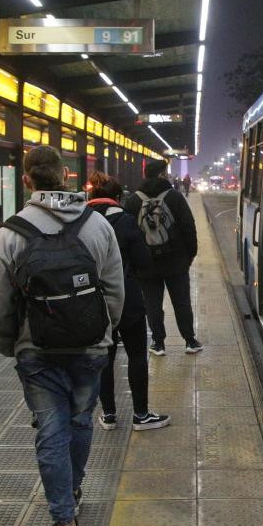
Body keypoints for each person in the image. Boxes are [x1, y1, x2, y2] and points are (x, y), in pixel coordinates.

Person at [0, 146, 124, 526]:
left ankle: (64, 523)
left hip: (37, 354)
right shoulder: (98, 226)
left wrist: (9, 344)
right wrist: (105, 331)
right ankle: (73, 488)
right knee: (80, 422)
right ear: (65, 175)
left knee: (50, 431)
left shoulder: (10, 233)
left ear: (27, 180)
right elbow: (115, 290)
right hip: (90, 349)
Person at [85, 171, 170, 431]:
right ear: (118, 197)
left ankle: (109, 414)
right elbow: (144, 261)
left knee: (105, 358)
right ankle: (141, 415)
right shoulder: (125, 221)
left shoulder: (80, 221)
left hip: (94, 301)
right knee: (136, 355)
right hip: (127, 299)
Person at [125, 158, 202, 355]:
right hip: (176, 261)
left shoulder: (134, 200)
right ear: (161, 174)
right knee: (182, 301)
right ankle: (190, 341)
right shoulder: (175, 197)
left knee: (152, 304)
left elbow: (129, 233)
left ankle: (158, 343)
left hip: (146, 263)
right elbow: (189, 227)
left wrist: (134, 261)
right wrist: (190, 254)